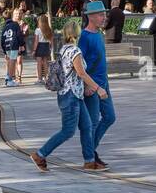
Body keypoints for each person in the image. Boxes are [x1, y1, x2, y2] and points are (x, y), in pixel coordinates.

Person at [29, 19, 103, 172]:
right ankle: (40, 154)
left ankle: (89, 161)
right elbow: (81, 73)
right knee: (68, 131)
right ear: (77, 33)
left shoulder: (64, 49)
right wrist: (98, 88)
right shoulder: (75, 51)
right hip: (71, 96)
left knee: (87, 126)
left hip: (73, 95)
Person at [79, 6, 115, 170]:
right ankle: (90, 159)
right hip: (92, 86)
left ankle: (91, 149)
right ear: (91, 16)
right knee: (92, 122)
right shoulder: (84, 37)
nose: (104, 17)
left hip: (104, 84)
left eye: (104, 14)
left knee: (110, 117)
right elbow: (80, 64)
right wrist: (88, 84)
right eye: (101, 15)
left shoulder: (99, 34)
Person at [1, 8, 25, 87]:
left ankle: (8, 76)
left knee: (10, 62)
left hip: (7, 45)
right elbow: (19, 35)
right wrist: (22, 44)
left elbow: (2, 38)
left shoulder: (5, 27)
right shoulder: (15, 24)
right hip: (14, 45)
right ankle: (10, 79)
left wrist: (4, 49)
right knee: (12, 61)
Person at [34, 13, 54, 84]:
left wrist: (34, 50)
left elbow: (36, 41)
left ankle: (39, 79)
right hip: (46, 46)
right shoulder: (49, 29)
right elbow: (51, 41)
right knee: (45, 63)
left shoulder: (38, 30)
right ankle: (46, 78)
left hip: (39, 46)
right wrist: (51, 48)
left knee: (39, 63)